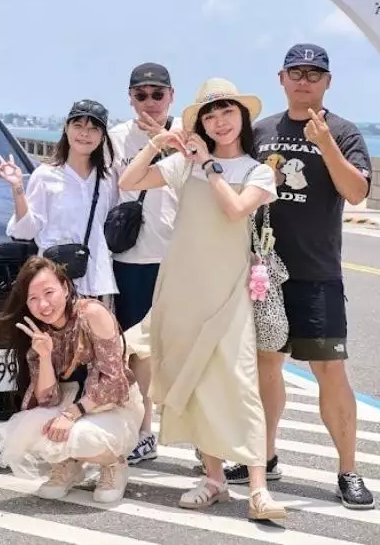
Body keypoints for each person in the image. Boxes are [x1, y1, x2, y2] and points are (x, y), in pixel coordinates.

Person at [120, 79, 288, 521]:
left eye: (227, 112)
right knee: (194, 382)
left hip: (229, 293)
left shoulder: (257, 171)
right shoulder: (183, 165)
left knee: (240, 384)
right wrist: (157, 143)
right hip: (182, 288)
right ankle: (213, 480)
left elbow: (236, 210)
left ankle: (257, 488)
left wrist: (210, 166)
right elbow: (128, 180)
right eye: (210, 116)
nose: (219, 122)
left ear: (242, 117)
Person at [232, 44, 375, 509]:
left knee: (329, 369)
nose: (304, 81)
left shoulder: (344, 132)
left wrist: (325, 143)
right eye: (296, 73)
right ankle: (264, 456)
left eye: (315, 74)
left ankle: (348, 470)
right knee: (266, 366)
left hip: (317, 273)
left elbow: (356, 192)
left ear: (328, 82)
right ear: (281, 78)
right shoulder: (261, 131)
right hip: (264, 274)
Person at [0, 256, 142, 504]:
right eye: (33, 298)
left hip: (112, 405)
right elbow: (46, 399)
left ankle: (113, 464)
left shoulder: (92, 314)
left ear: (65, 288)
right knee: (25, 429)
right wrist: (44, 356)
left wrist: (71, 414)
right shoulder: (38, 331)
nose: (43, 305)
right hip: (68, 401)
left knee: (83, 436)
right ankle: (68, 465)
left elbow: (114, 383)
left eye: (49, 292)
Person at [107, 62, 181, 464]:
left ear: (172, 95)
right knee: (136, 351)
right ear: (130, 97)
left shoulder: (188, 135)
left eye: (158, 94)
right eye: (141, 94)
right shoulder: (117, 138)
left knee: (184, 349)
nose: (150, 102)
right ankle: (143, 430)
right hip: (131, 258)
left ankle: (203, 440)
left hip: (179, 259)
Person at [0, 100, 119, 301]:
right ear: (66, 127)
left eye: (93, 129)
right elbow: (26, 230)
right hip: (56, 280)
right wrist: (17, 188)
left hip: (96, 283)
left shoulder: (106, 178)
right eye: (78, 125)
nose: (85, 134)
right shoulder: (45, 175)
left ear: (102, 136)